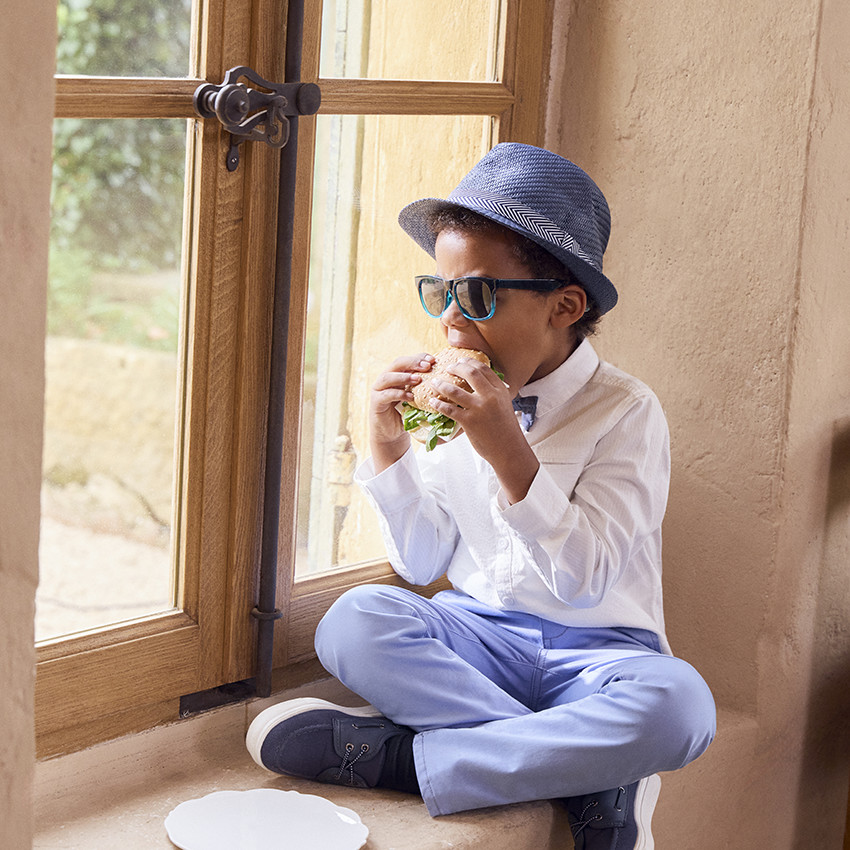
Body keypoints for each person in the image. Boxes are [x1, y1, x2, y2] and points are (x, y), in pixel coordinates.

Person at [246, 143, 716, 849]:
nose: (452, 324)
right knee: (354, 620)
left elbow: (585, 582)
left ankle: (402, 759)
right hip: (478, 638)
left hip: (601, 657)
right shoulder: (452, 404)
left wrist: (507, 452)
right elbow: (421, 559)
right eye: (440, 291)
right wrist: (387, 447)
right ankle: (587, 778)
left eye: (479, 296)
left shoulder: (626, 411)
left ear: (565, 305)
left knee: (681, 710)